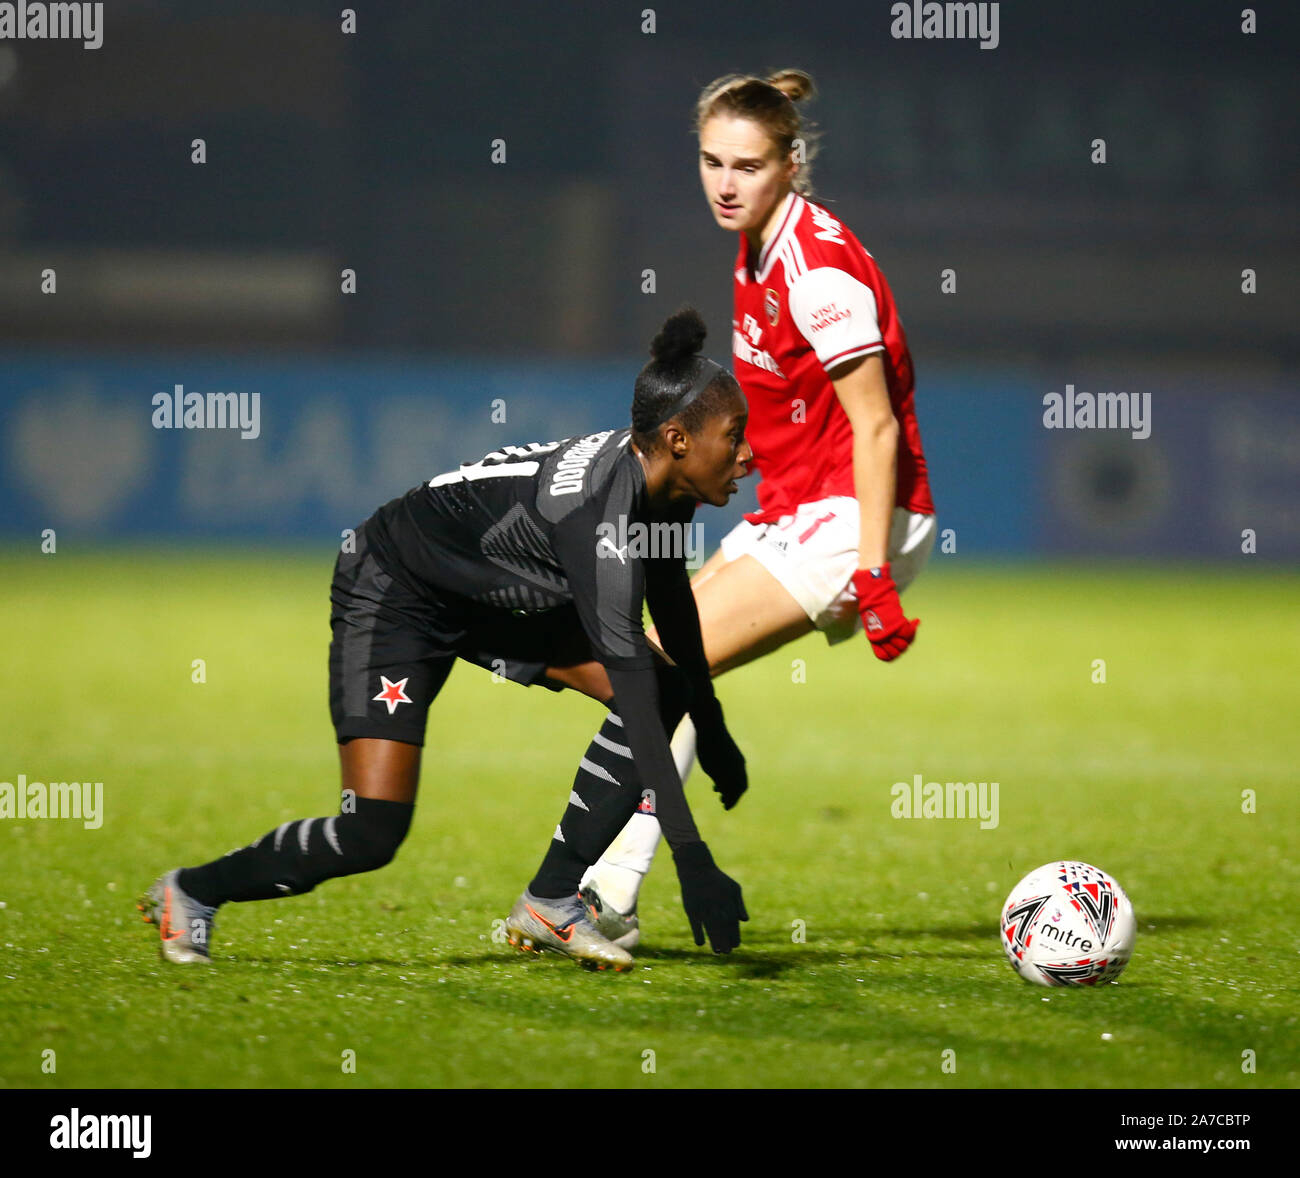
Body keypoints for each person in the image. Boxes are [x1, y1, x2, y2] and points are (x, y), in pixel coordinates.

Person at [139, 308, 754, 971]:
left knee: (666, 689)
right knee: (370, 832)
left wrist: (711, 731)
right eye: (735, 435)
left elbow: (670, 599)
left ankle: (551, 902)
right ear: (678, 439)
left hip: (497, 601)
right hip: (397, 588)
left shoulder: (664, 482)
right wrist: (692, 856)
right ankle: (190, 892)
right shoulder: (596, 517)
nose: (749, 453)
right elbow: (629, 683)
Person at [576, 70, 938, 948]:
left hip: (852, 515)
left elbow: (878, 427)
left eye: (747, 165)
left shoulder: (815, 273)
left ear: (792, 162)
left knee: (657, 661)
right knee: (675, 668)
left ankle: (600, 895)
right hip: (799, 504)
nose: (725, 183)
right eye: (711, 162)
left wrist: (873, 572)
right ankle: (605, 891)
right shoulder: (759, 246)